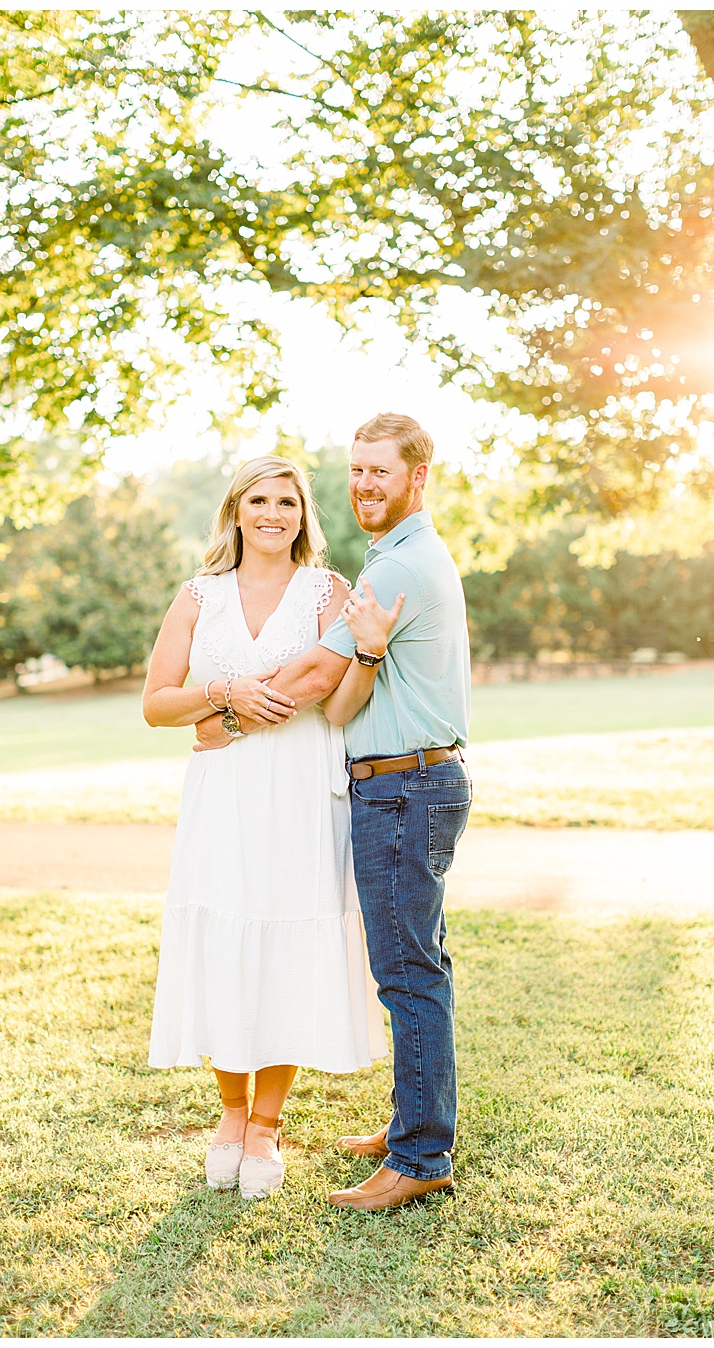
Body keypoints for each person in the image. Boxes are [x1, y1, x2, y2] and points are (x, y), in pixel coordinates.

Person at [193, 413, 472, 1211]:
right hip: (408, 783)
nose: (364, 485)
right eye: (355, 471)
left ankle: (421, 1158)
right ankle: (414, 1124)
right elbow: (342, 687)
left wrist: (222, 717)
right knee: (420, 966)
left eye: (379, 471)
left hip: (403, 787)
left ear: (418, 475)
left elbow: (316, 678)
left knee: (409, 976)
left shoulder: (399, 566)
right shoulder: (393, 555)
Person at [142, 454, 389, 1200]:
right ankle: (228, 1114)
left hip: (301, 788)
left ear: (302, 514)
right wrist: (221, 695)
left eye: (287, 501)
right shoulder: (199, 596)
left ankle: (266, 1126)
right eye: (259, 499)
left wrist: (369, 651)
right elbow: (157, 702)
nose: (273, 513)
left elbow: (336, 696)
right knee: (224, 937)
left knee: (287, 938)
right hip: (223, 795)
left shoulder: (327, 591)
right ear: (236, 511)